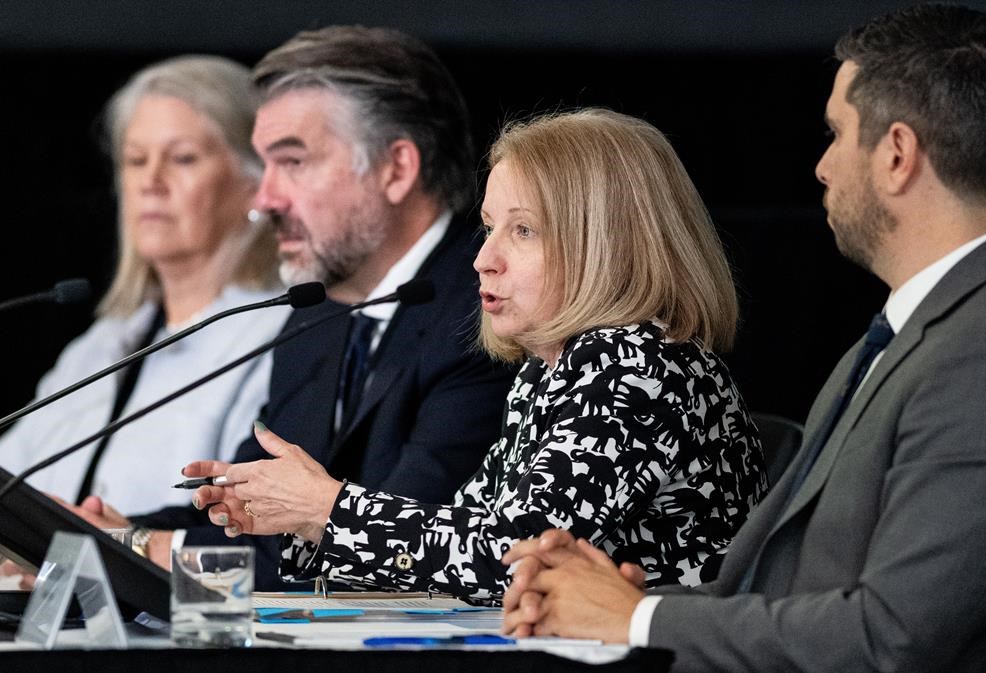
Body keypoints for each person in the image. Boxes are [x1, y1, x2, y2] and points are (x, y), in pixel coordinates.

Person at [500, 5, 986, 673]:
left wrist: (637, 617)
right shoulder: (909, 332)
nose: (822, 168)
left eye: (835, 134)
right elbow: (789, 588)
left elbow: (897, 638)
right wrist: (606, 599)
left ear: (896, 154)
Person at [187, 108, 767, 601]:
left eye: (523, 231)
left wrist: (327, 508)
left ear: (605, 245)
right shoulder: (549, 373)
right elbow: (465, 543)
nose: (482, 259)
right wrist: (303, 521)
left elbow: (508, 560)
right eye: (489, 227)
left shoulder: (640, 368)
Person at [77, 26, 516, 589]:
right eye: (266, 166)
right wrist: (105, 534)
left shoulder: (486, 309)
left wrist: (139, 548)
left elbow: (391, 554)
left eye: (294, 163)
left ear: (396, 170)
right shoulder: (317, 313)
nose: (264, 201)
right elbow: (247, 520)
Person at [0, 55, 287, 516]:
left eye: (182, 158)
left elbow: (247, 525)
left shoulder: (278, 336)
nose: (150, 182)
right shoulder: (96, 349)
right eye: (135, 160)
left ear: (257, 184)